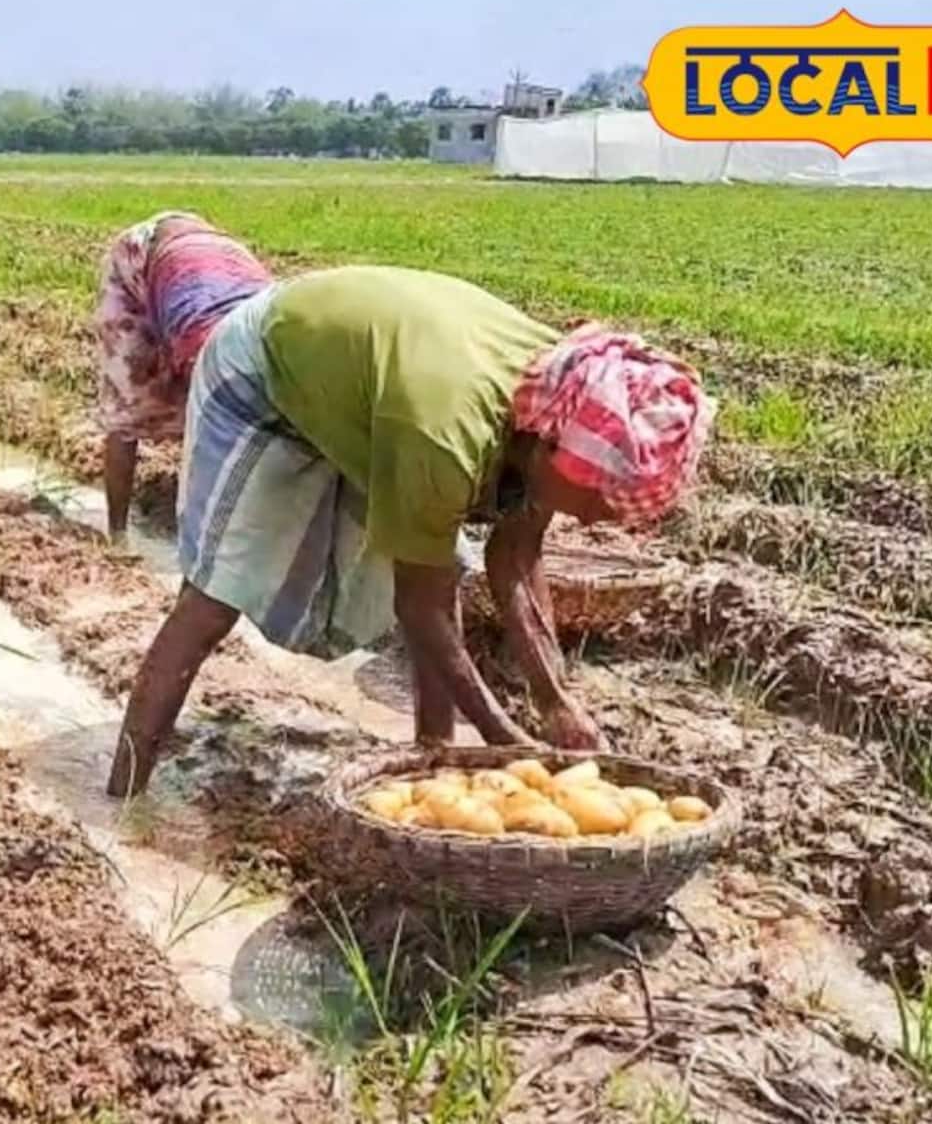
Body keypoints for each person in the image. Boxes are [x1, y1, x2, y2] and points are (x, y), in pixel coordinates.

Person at [108, 267, 714, 798]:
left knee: (441, 561)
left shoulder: (564, 397)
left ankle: (434, 754)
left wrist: (556, 705)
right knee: (217, 596)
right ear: (558, 453)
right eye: (596, 506)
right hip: (264, 361)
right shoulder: (445, 435)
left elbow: (517, 558)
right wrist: (507, 740)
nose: (590, 522)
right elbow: (422, 611)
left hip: (375, 376)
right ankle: (124, 787)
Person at [92, 212, 272, 543]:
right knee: (127, 406)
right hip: (142, 260)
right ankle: (117, 534)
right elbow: (212, 435)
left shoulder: (274, 336)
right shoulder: (205, 351)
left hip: (215, 258)